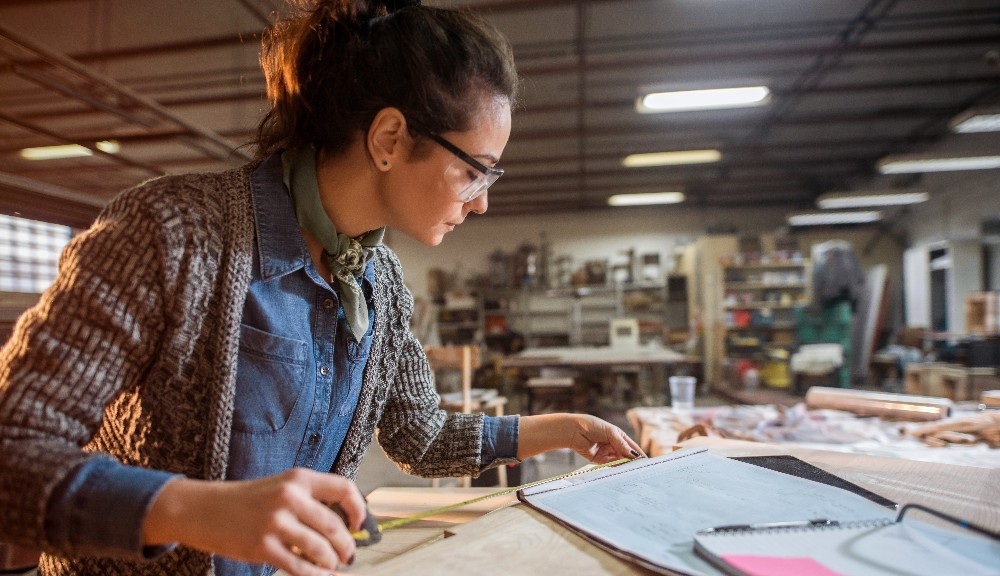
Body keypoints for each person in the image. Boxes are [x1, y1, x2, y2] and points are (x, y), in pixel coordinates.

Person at [0, 1, 645, 575]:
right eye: (475, 172)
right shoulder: (172, 234)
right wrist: (196, 512)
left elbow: (417, 435)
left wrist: (561, 429)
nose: (480, 205)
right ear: (390, 139)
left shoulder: (380, 284)